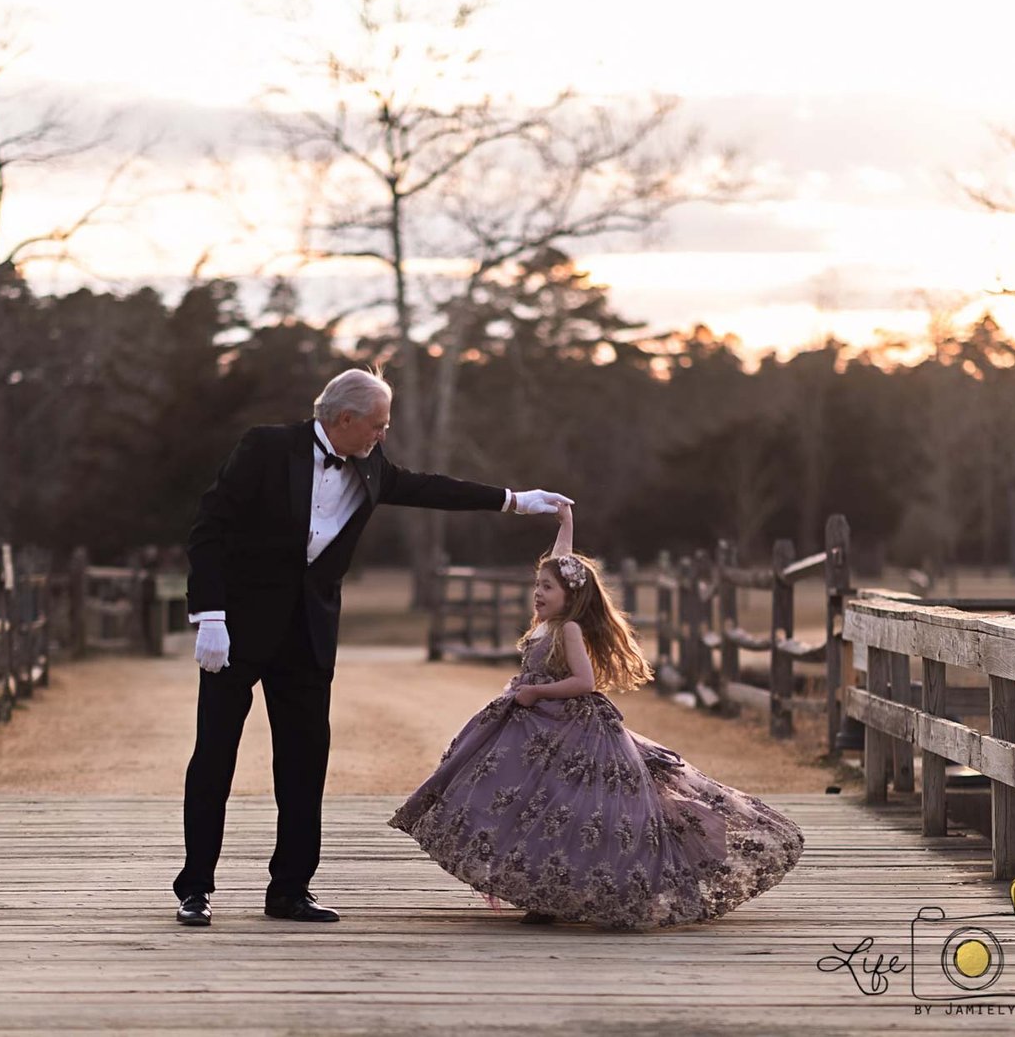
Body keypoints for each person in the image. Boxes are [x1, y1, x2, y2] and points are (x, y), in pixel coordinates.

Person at [175, 368, 574, 927]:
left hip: (307, 637)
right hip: (235, 630)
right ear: (344, 419)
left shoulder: (369, 466)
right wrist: (210, 615)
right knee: (215, 755)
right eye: (378, 425)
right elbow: (208, 529)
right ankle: (195, 888)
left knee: (305, 762)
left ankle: (290, 890)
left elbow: (428, 487)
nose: (382, 435)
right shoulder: (265, 447)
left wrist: (515, 500)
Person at [388, 503, 805, 928]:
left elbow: (584, 681)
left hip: (566, 724)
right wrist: (566, 524)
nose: (538, 592)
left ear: (569, 595)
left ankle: (571, 891)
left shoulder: (568, 628)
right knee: (528, 803)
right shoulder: (548, 622)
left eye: (546, 587)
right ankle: (543, 889)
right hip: (532, 725)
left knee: (572, 808)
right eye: (537, 585)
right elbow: (562, 564)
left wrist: (535, 691)